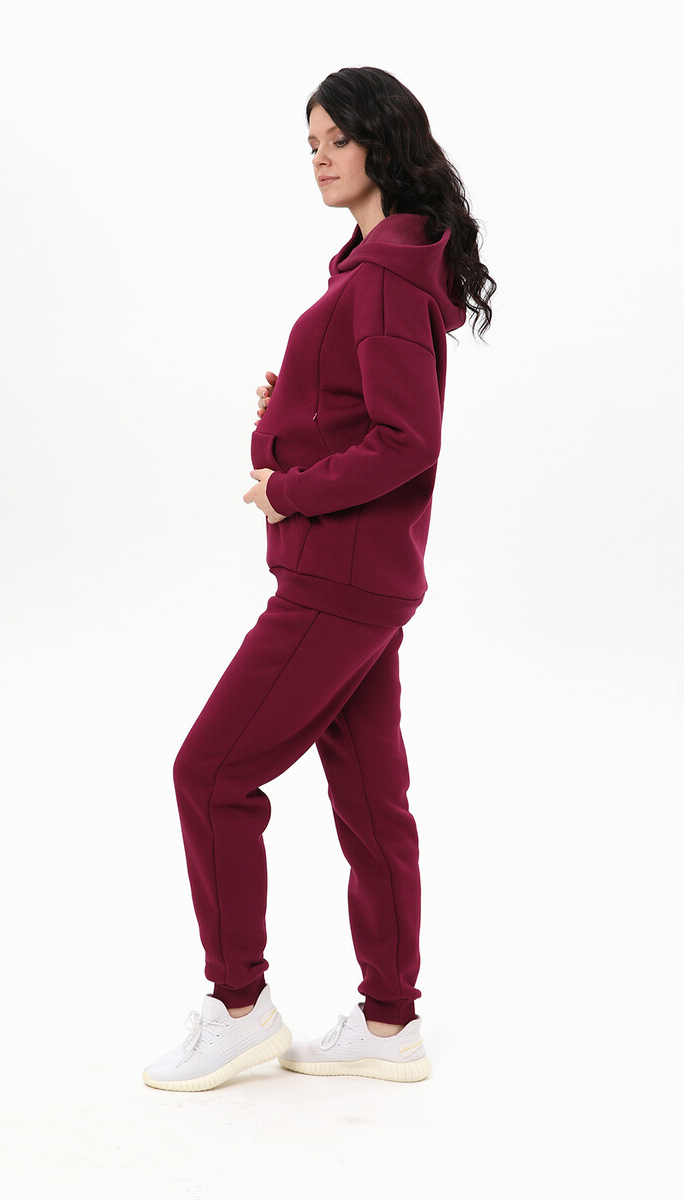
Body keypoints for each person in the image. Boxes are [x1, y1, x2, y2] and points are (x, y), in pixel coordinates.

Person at [142, 65, 496, 1092]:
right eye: (310, 143)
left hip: (334, 581)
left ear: (384, 142)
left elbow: (405, 440)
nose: (320, 158)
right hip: (372, 578)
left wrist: (288, 490)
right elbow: (364, 413)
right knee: (373, 801)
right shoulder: (383, 269)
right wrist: (293, 404)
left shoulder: (382, 278)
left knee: (210, 774)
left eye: (336, 139)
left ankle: (238, 1008)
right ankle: (389, 1025)